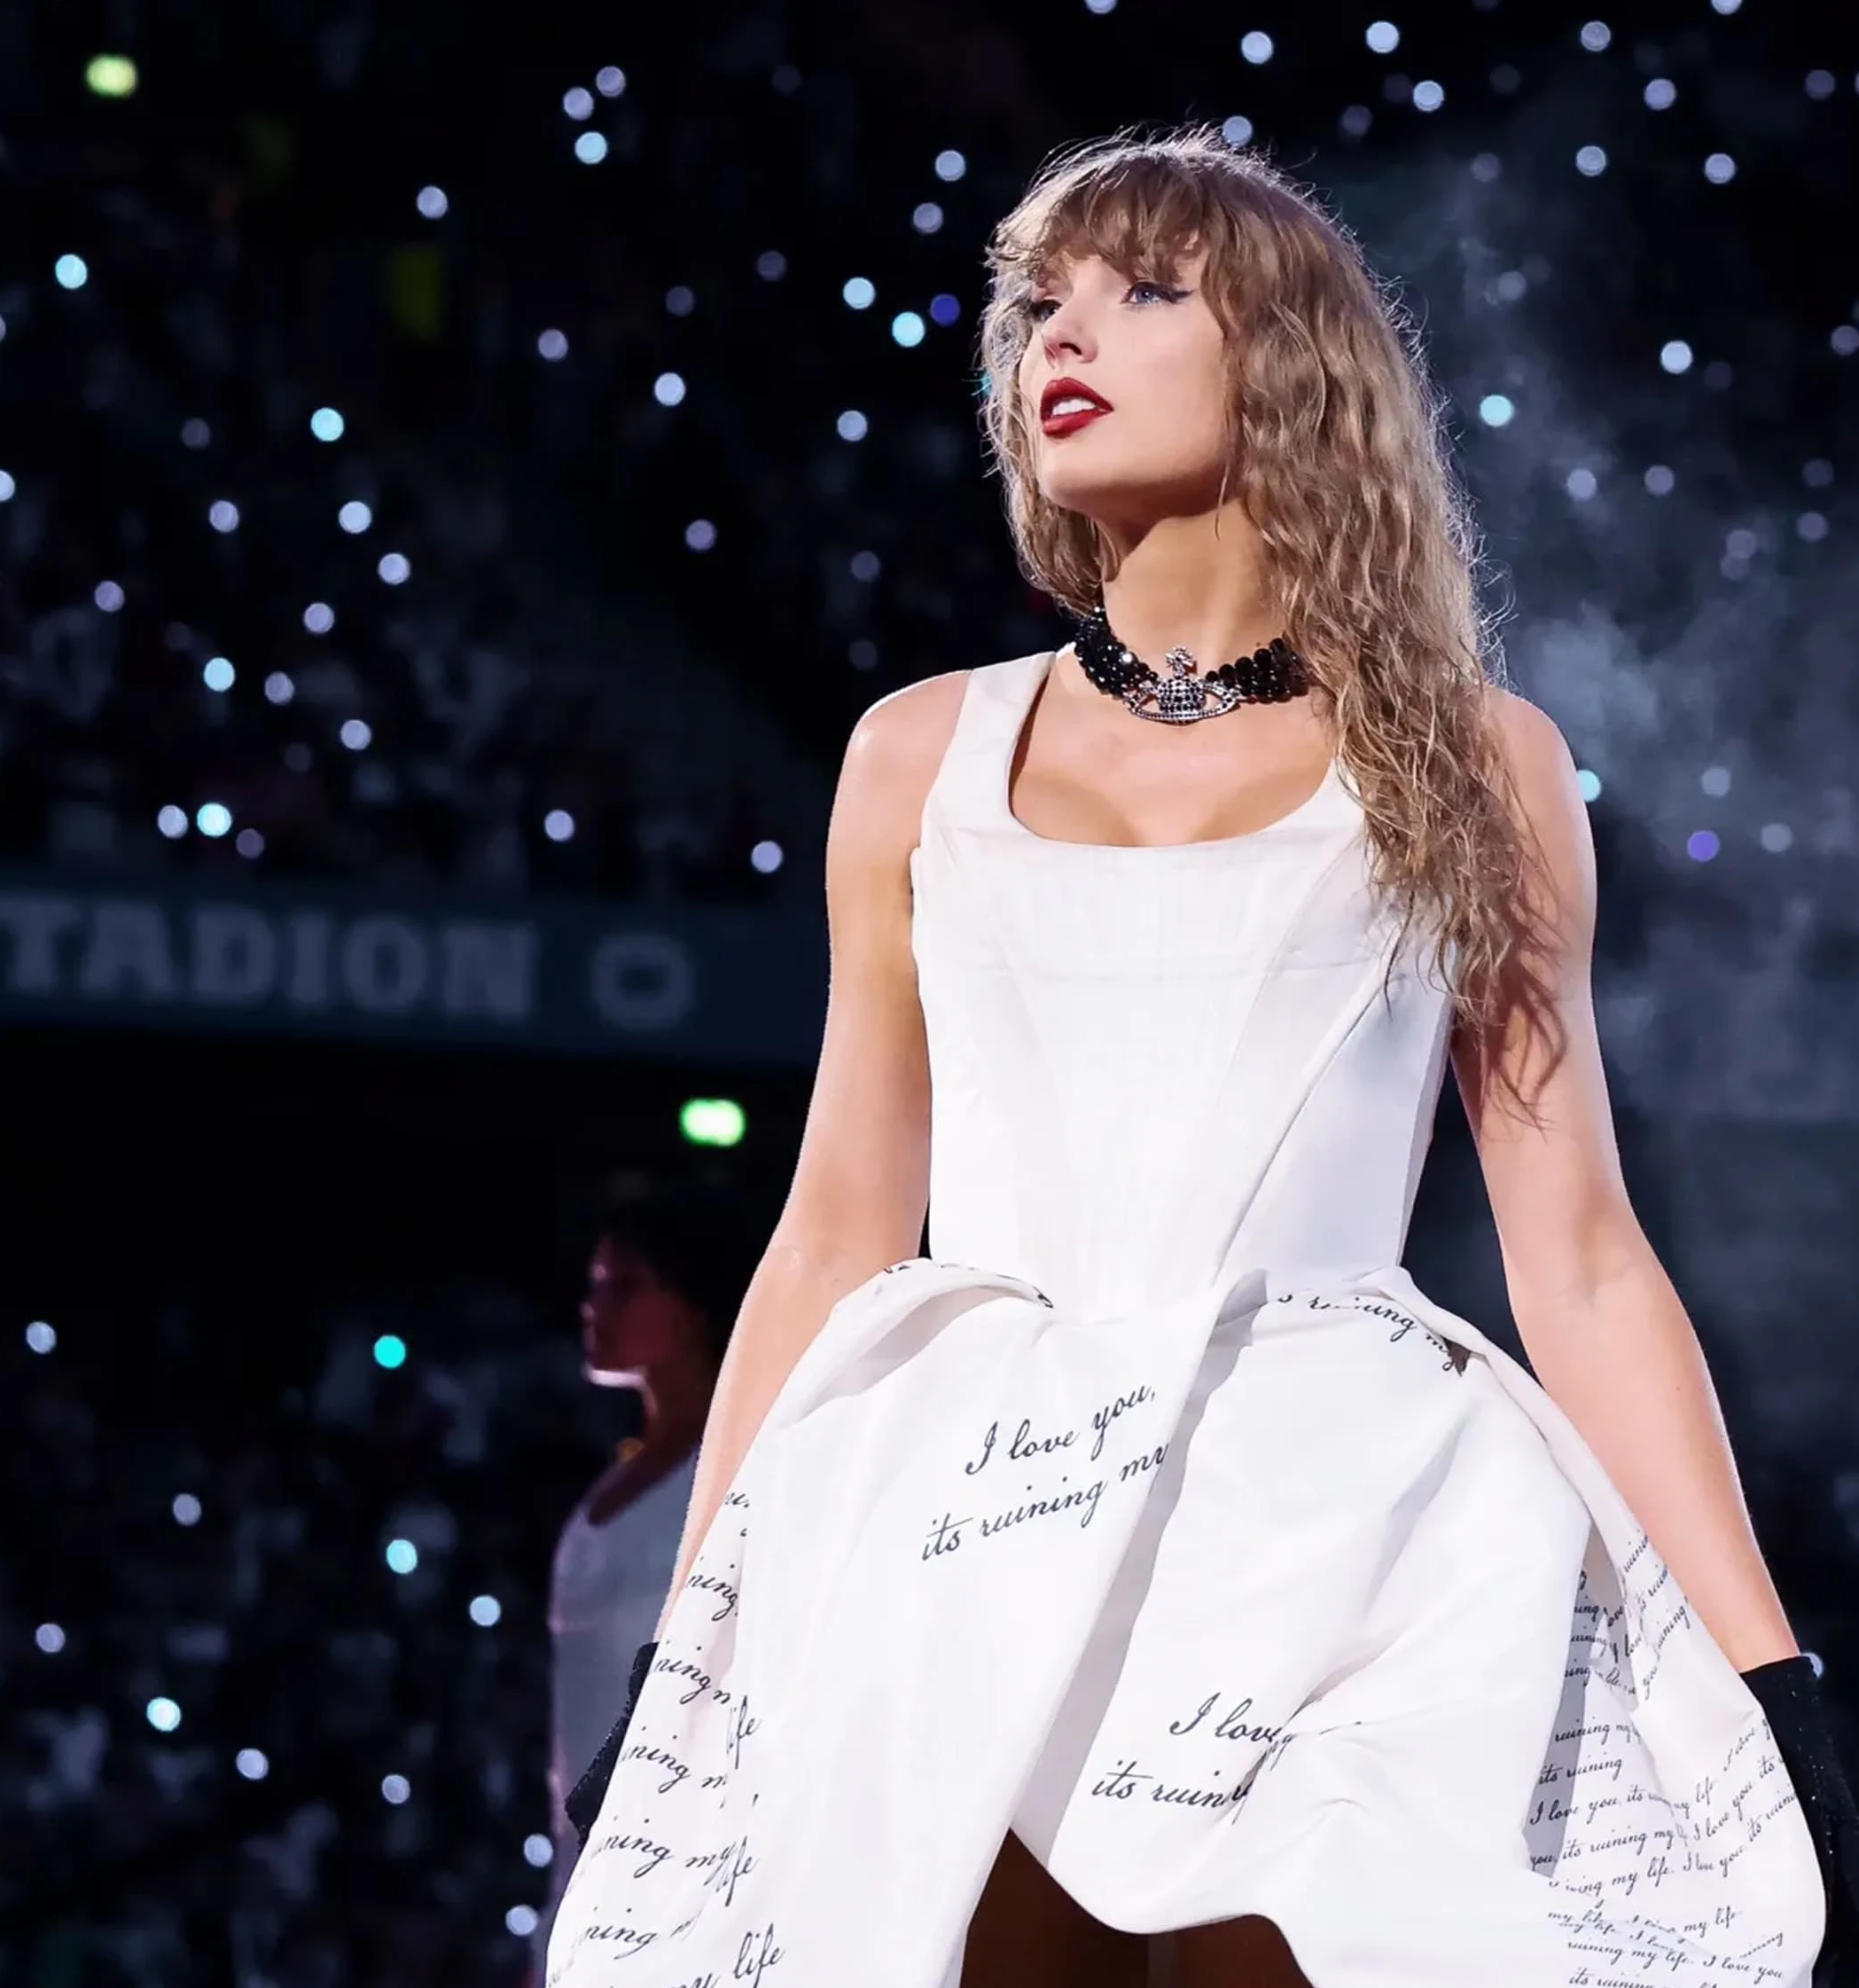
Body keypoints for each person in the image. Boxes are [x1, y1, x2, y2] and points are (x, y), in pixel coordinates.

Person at [543, 127, 1859, 1988]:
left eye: (1143, 289)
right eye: (1036, 303)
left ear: (1287, 362)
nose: (1058, 335)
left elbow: (1577, 1257)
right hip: (966, 1507)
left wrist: (1765, 1678)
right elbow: (834, 1231)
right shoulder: (916, 755)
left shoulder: (1477, 762)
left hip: (1343, 1519)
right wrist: (688, 1667)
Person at [528, 1184, 758, 1986]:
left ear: (691, 1305)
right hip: (580, 1853)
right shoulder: (613, 1478)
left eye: (623, 1285)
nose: (593, 1307)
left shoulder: (731, 1473)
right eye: (595, 1285)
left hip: (674, 1859)